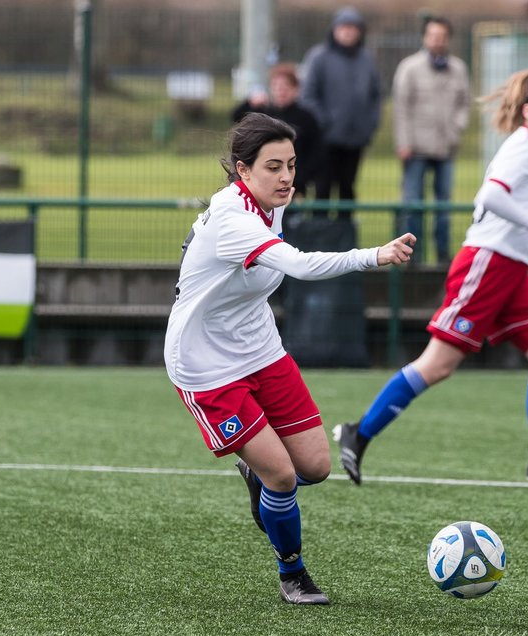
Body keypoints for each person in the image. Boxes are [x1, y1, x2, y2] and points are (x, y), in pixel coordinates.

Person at [165, 112, 415, 605]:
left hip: (260, 349)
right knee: (283, 477)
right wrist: (375, 255)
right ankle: (292, 574)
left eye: (292, 165)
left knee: (316, 467)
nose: (286, 178)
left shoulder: (270, 204)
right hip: (206, 364)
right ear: (243, 170)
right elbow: (299, 265)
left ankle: (261, 477)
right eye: (273, 167)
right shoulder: (233, 220)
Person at [334, 69, 528, 487]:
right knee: (437, 366)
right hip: (486, 267)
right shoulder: (523, 147)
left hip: (511, 270)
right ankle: (358, 433)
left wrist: (525, 253)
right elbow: (489, 195)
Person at [392, 14, 470, 266]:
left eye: (442, 36)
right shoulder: (409, 67)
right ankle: (413, 258)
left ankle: (443, 256)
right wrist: (404, 142)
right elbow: (401, 107)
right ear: (425, 37)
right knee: (413, 205)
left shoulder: (458, 68)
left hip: (446, 147)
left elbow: (464, 104)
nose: (437, 41)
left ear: (448, 39)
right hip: (415, 148)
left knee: (444, 207)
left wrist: (457, 128)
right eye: (433, 36)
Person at [300, 6, 382, 219]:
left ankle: (346, 241)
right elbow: (307, 95)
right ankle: (320, 239)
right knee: (323, 189)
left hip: (355, 139)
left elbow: (376, 96)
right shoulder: (319, 57)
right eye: (344, 27)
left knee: (348, 189)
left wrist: (369, 124)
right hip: (326, 140)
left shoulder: (367, 59)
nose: (348, 32)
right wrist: (324, 122)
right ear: (334, 30)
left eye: (353, 28)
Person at [231, 63, 324, 200]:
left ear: (295, 89)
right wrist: (250, 102)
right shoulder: (263, 112)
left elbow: (316, 151)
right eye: (276, 87)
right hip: (265, 183)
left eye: (285, 87)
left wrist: (302, 177)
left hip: (295, 184)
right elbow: (236, 117)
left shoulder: (306, 118)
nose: (281, 91)